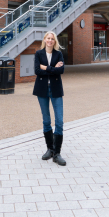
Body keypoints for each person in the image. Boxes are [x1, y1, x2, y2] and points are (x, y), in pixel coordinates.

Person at [33, 31, 66, 166]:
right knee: (46, 120)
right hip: (42, 90)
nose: (50, 41)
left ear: (55, 41)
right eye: (48, 38)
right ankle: (50, 149)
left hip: (56, 89)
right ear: (45, 40)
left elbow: (61, 71)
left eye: (52, 39)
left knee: (59, 121)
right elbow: (37, 70)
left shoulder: (59, 54)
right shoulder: (38, 54)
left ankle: (57, 153)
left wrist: (46, 67)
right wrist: (52, 69)